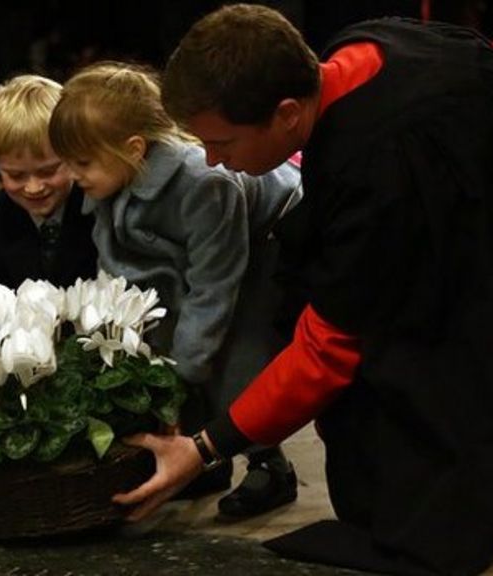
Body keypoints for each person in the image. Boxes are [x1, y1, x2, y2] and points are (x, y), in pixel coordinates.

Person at [116, 5, 493, 575]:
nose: (212, 160)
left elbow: (329, 349)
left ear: (286, 113)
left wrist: (203, 448)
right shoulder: (367, 44)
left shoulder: (380, 166)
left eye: (222, 141)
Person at [48, 61, 303, 517]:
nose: (71, 174)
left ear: (133, 148)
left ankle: (268, 461)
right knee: (170, 331)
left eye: (81, 162)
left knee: (235, 351)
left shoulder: (206, 184)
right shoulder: (112, 177)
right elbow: (115, 265)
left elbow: (214, 286)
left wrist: (181, 374)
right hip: (202, 257)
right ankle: (204, 459)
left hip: (268, 245)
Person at [0, 74, 98, 291]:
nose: (34, 187)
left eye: (48, 171)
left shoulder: (102, 212)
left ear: (73, 150)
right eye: (16, 176)